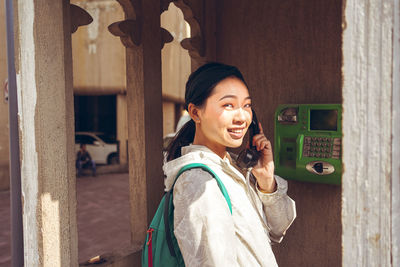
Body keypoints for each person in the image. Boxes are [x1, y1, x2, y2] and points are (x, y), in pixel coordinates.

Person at [164, 62, 296, 266]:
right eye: (228, 105)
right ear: (195, 112)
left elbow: (277, 229)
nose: (242, 117)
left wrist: (267, 182)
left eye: (247, 105)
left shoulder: (232, 168)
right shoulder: (200, 183)